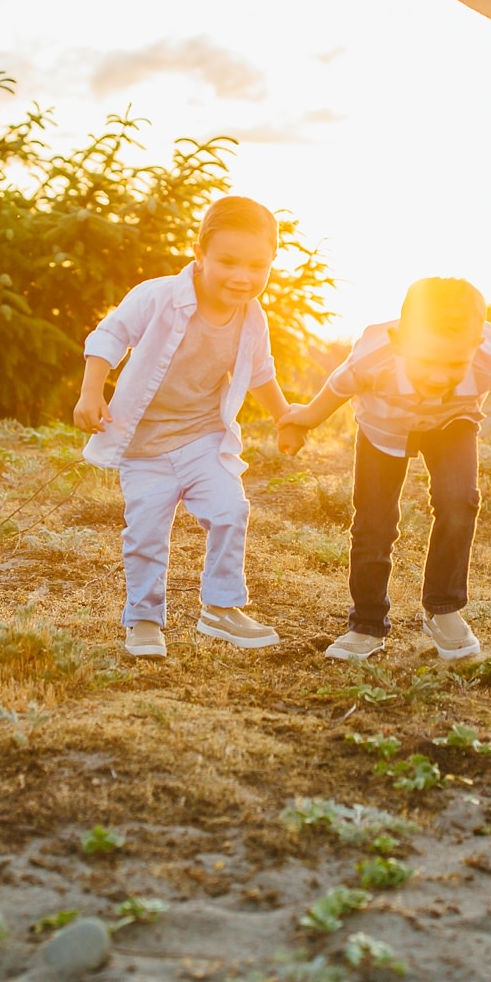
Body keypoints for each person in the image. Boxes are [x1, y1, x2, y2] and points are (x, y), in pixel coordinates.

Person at [278, 278, 491, 663]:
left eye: (454, 364)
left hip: (452, 422)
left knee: (459, 502)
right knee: (374, 523)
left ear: (476, 346)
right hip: (382, 427)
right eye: (427, 362)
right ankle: (366, 624)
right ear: (402, 342)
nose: (438, 376)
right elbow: (336, 389)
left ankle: (443, 609)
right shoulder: (374, 355)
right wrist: (303, 419)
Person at [75, 197, 297, 659]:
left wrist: (284, 418)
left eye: (258, 265)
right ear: (199, 253)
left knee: (230, 510)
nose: (243, 276)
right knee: (146, 535)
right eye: (228, 262)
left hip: (203, 439)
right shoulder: (157, 296)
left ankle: (220, 607)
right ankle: (143, 619)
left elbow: (261, 372)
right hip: (144, 447)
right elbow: (110, 335)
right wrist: (91, 391)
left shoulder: (253, 318)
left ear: (272, 262)